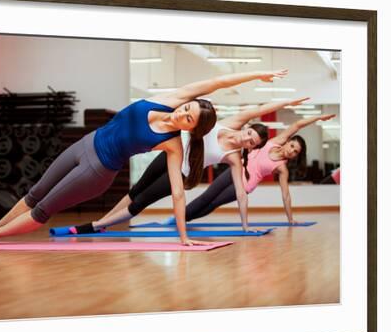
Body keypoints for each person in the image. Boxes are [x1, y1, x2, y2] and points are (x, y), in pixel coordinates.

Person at [0, 69, 288, 246]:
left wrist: (184, 235)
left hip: (97, 169)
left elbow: (178, 192)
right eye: (186, 109)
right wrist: (257, 74)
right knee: (34, 193)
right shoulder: (169, 99)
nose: (182, 115)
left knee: (43, 208)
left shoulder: (173, 145)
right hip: (85, 143)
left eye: (188, 119)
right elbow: (217, 82)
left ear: (192, 130)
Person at [71, 97, 309, 234]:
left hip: (182, 173)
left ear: (252, 147)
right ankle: (105, 221)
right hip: (168, 154)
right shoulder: (231, 123)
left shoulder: (234, 158)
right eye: (248, 134)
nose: (246, 139)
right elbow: (259, 109)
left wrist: (245, 225)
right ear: (246, 128)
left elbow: (240, 192)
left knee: (142, 202)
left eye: (251, 143)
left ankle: (96, 225)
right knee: (134, 191)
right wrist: (288, 102)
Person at [161, 113, 336, 226]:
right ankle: (175, 218)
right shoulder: (275, 141)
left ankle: (183, 219)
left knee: (214, 203)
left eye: (295, 151)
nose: (291, 151)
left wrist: (290, 219)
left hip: (246, 184)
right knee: (207, 195)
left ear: (296, 155)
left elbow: (286, 195)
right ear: (287, 142)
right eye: (292, 146)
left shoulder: (282, 168)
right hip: (235, 171)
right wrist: (318, 118)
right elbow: (297, 124)